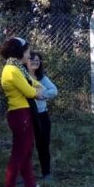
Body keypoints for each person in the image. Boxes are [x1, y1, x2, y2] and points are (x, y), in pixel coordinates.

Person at [0, 37, 51, 187]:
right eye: (27, 50)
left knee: (27, 151)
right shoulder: (11, 70)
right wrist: (37, 91)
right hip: (19, 114)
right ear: (19, 51)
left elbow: (34, 83)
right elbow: (30, 91)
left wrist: (37, 89)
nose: (29, 54)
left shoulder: (18, 68)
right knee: (18, 153)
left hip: (25, 112)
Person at [28, 51, 57, 179]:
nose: (35, 62)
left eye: (38, 61)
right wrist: (36, 92)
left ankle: (46, 172)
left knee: (43, 144)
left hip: (42, 115)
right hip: (27, 115)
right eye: (32, 60)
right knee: (26, 146)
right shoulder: (22, 77)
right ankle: (25, 174)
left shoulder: (42, 77)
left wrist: (41, 94)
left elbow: (54, 91)